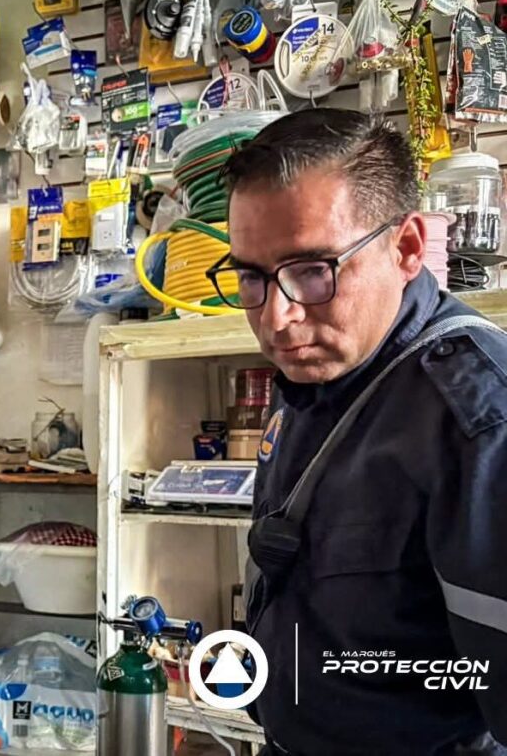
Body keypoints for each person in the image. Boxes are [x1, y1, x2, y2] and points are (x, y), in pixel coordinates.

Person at [204, 109, 507, 755]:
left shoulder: (478, 423)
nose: (278, 317)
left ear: (407, 247)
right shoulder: (318, 377)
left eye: (313, 270)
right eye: (251, 277)